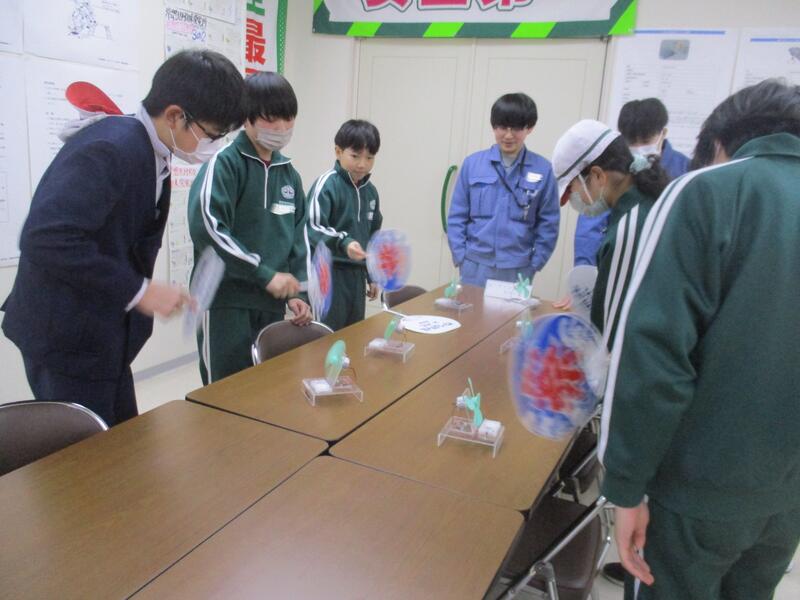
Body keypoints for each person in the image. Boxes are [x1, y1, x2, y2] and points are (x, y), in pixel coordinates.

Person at [599, 79, 800, 599]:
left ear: (719, 145)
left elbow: (654, 357)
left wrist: (625, 486)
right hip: (786, 496)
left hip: (695, 496)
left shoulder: (707, 191)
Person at [1, 50, 244, 426]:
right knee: (87, 450)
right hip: (65, 338)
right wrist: (139, 290)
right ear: (175, 116)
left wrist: (145, 291)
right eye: (212, 135)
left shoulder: (150, 148)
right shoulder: (113, 147)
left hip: (102, 335)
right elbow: (46, 237)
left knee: (125, 439)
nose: (214, 146)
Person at [188, 71, 312, 384]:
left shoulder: (289, 174)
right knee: (223, 390)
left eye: (288, 118)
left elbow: (298, 237)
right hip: (225, 300)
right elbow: (208, 228)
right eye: (271, 119)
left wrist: (298, 292)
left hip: (271, 304)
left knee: (264, 388)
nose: (281, 128)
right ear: (247, 118)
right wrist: (263, 273)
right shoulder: (224, 163)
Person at [552, 120, 668, 346]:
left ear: (597, 176)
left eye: (573, 189)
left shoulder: (628, 228)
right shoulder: (647, 201)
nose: (576, 200)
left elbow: (609, 333)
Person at [447, 93, 559, 287]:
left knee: (511, 310)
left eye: (516, 128)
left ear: (529, 127)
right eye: (502, 127)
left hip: (519, 269)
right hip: (474, 265)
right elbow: (457, 216)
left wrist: (535, 264)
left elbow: (549, 223)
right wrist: (461, 257)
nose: (508, 135)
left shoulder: (543, 169)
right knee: (471, 308)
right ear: (493, 126)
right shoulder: (472, 164)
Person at [573, 98, 689, 270]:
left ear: (663, 133)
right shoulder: (611, 168)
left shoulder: (685, 171)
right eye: (631, 142)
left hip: (665, 266)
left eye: (646, 140)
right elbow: (590, 226)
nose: (638, 148)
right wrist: (585, 271)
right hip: (617, 262)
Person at [306, 119, 382, 331]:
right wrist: (344, 242)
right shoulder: (327, 185)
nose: (362, 164)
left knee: (354, 335)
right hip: (329, 274)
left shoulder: (371, 192)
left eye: (370, 157)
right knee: (326, 336)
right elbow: (313, 227)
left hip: (356, 276)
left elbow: (373, 235)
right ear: (338, 152)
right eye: (355, 156)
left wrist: (372, 274)